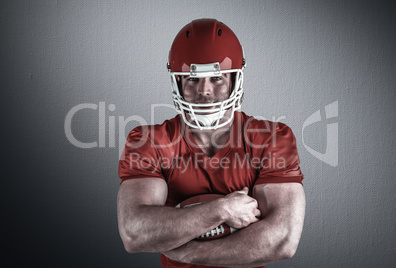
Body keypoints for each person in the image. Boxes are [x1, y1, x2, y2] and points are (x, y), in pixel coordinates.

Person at [117, 18, 305, 268]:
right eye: (193, 79)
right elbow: (135, 233)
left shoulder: (271, 139)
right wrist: (222, 210)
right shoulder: (149, 142)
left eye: (216, 78)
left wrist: (188, 253)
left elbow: (282, 240)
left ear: (235, 81)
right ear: (178, 82)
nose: (204, 91)